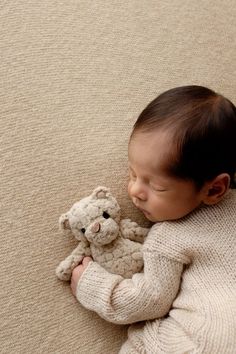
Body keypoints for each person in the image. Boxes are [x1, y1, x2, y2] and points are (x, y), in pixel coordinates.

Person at [71, 85, 236, 353]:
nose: (135, 191)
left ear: (214, 189)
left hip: (199, 343)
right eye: (133, 173)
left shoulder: (169, 236)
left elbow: (149, 301)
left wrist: (91, 284)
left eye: (157, 187)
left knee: (145, 342)